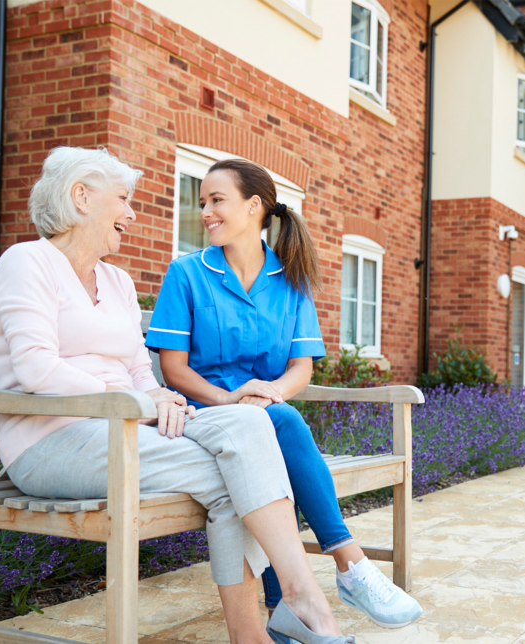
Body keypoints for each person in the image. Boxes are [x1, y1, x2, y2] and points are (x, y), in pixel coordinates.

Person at [0, 146, 351, 644]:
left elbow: (140, 367)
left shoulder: (115, 279)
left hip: (124, 430)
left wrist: (159, 395)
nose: (132, 212)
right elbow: (35, 367)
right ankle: (295, 604)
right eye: (123, 199)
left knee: (251, 424)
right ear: (81, 198)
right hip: (51, 442)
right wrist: (140, 403)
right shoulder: (27, 261)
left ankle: (284, 608)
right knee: (235, 472)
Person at [145, 159, 423, 629]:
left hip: (264, 415)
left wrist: (270, 392)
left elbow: (301, 367)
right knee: (284, 424)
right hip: (202, 415)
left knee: (274, 429)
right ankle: (349, 564)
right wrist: (230, 399)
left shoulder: (290, 278)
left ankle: (283, 608)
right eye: (202, 203)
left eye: (217, 201)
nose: (205, 213)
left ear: (254, 207)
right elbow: (173, 368)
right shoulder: (187, 273)